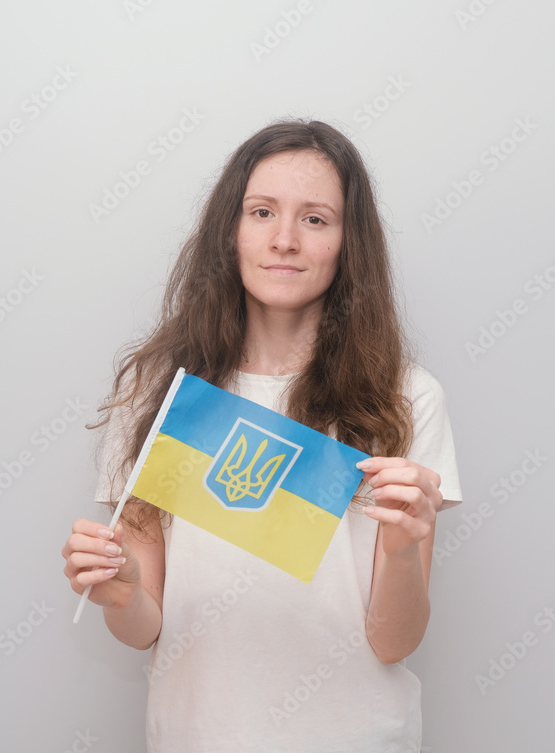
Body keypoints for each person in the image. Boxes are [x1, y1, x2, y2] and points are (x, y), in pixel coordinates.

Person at [61, 119, 462, 752]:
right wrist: (122, 593)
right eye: (262, 211)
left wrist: (406, 547)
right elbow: (143, 629)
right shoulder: (159, 393)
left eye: (315, 219)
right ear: (231, 230)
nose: (283, 240)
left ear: (348, 243)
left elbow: (396, 640)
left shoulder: (407, 397)